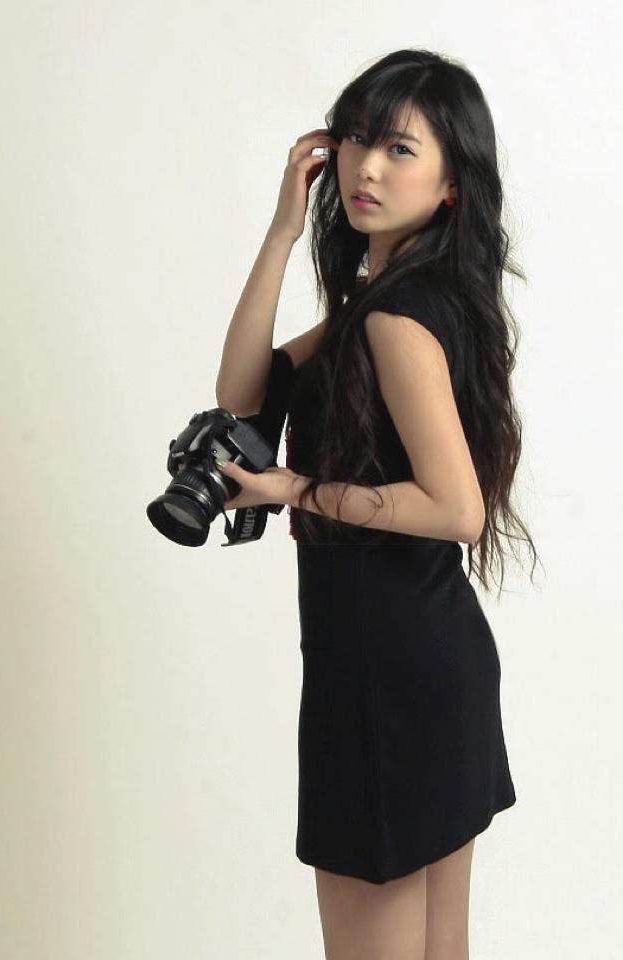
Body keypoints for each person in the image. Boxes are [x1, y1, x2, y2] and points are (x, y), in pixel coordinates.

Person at [215, 48, 540, 960]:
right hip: (424, 663)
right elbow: (244, 393)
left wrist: (298, 490)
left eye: (400, 148)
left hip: (382, 681)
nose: (366, 167)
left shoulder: (396, 319)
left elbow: (457, 510)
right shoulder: (398, 301)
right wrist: (282, 233)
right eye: (358, 139)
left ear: (451, 185)